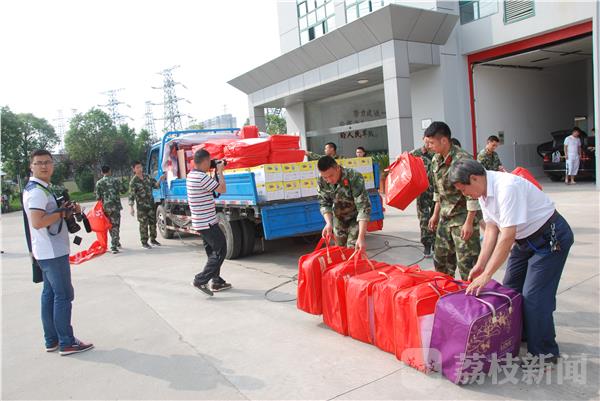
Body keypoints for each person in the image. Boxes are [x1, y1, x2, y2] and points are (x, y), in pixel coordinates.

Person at [449, 159, 573, 364]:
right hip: (524, 241)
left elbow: (507, 236)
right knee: (510, 290)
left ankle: (545, 354)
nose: (465, 194)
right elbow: (491, 229)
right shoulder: (483, 192)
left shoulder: (507, 187)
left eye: (464, 189)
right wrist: (480, 265)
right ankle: (523, 334)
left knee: (534, 297)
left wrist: (487, 275)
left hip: (550, 239)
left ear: (474, 178)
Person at [22, 149, 93, 356]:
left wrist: (64, 210)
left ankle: (51, 339)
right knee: (63, 295)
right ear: (31, 166)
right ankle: (67, 342)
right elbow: (37, 222)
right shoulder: (37, 192)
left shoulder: (38, 188)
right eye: (39, 163)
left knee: (50, 294)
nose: (44, 166)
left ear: (53, 165)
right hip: (52, 253)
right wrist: (62, 213)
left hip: (45, 251)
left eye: (47, 162)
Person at [425, 121, 480, 280]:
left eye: (432, 143)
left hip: (463, 218)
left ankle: (470, 294)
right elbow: (438, 191)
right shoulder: (436, 159)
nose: (429, 146)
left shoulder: (463, 160)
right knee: (441, 261)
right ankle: (446, 291)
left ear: (444, 140)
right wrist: (435, 214)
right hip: (445, 217)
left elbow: (473, 194)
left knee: (467, 264)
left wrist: (469, 223)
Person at [187, 149, 231, 296]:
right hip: (208, 223)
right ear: (205, 161)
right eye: (210, 161)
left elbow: (212, 191)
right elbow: (222, 189)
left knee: (212, 253)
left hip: (200, 222)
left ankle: (216, 281)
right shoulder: (201, 177)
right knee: (220, 251)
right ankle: (200, 280)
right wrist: (220, 172)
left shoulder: (191, 175)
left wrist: (214, 170)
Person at [317, 156, 371, 251]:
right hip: (338, 217)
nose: (329, 180)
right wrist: (329, 223)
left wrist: (361, 237)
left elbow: (363, 207)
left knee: (353, 248)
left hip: (355, 217)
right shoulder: (321, 180)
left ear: (337, 168)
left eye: (331, 175)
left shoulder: (354, 177)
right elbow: (324, 203)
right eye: (325, 177)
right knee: (340, 250)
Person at [128, 161, 166, 249]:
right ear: (134, 169)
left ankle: (153, 240)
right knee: (143, 225)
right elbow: (131, 196)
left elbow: (155, 185)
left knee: (153, 223)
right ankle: (144, 242)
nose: (140, 169)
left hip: (151, 205)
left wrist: (160, 179)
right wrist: (131, 207)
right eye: (137, 168)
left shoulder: (147, 177)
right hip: (142, 208)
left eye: (140, 167)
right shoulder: (133, 182)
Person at [410, 137, 435, 258]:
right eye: (426, 140)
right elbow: (405, 161)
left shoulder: (437, 152)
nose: (428, 143)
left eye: (431, 141)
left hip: (436, 192)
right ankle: (427, 245)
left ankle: (436, 243)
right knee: (424, 219)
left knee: (436, 218)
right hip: (422, 193)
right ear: (423, 139)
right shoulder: (416, 153)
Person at [95, 165, 124, 254]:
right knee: (115, 226)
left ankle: (116, 242)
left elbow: (98, 197)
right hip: (115, 207)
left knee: (110, 225)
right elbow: (123, 190)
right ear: (110, 171)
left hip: (105, 208)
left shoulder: (99, 183)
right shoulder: (116, 180)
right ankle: (114, 246)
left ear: (102, 172)